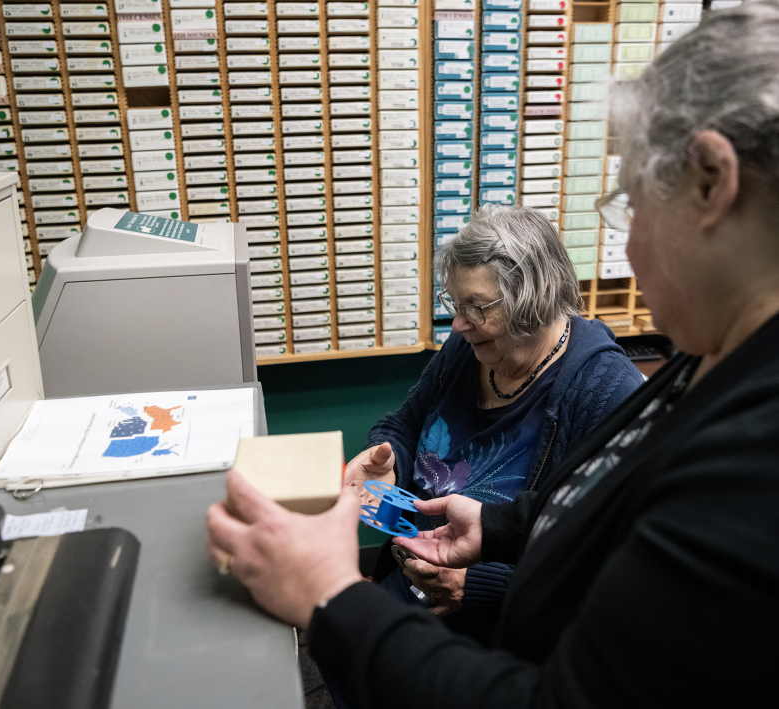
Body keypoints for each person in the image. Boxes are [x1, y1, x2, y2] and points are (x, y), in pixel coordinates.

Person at [208, 2, 779, 706]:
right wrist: (501, 522)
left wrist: (330, 595)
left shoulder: (748, 458)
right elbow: (597, 500)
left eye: (631, 201)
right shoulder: (711, 356)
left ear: (711, 180)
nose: (627, 249)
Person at [346, 205, 642, 627]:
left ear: (535, 299)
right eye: (455, 302)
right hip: (410, 581)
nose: (458, 323)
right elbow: (406, 424)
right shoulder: (469, 349)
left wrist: (482, 586)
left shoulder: (605, 392)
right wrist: (387, 463)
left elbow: (606, 559)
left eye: (478, 307)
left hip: (501, 628)